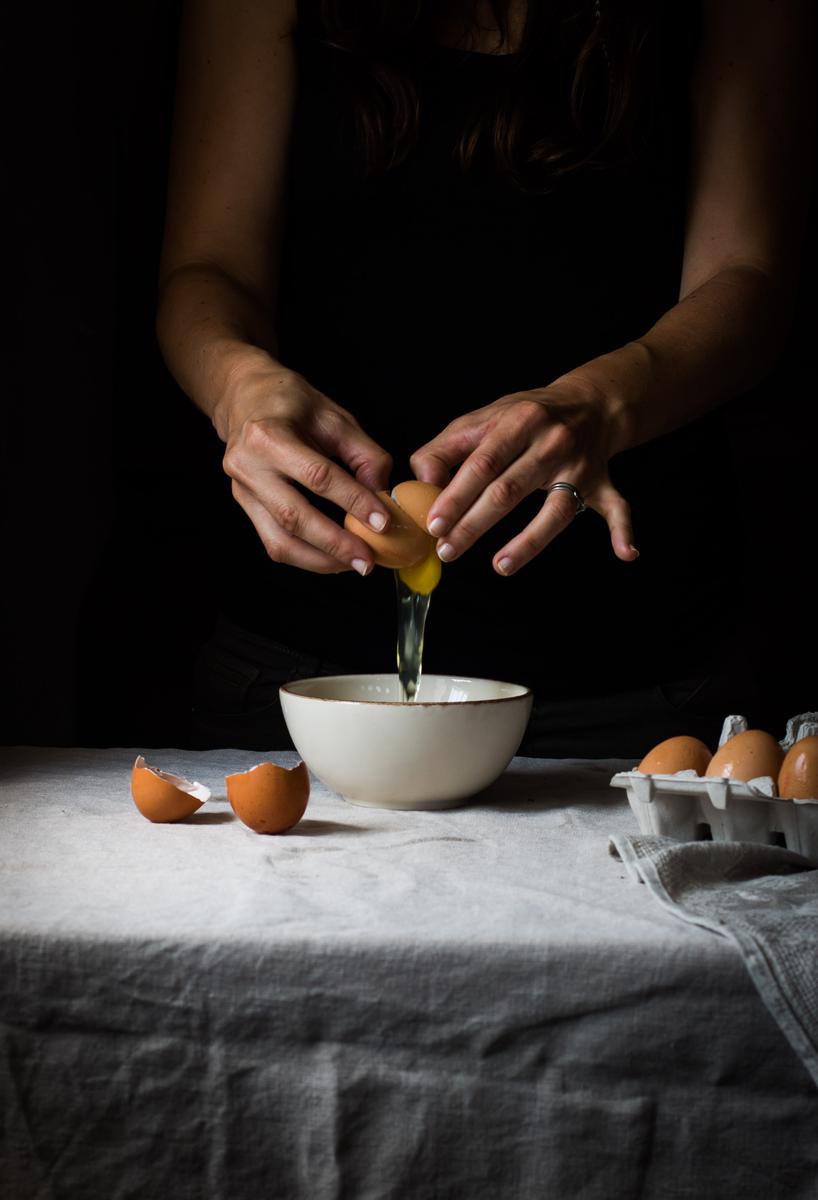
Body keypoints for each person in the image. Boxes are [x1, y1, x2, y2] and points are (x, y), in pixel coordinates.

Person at [156, 0, 813, 757]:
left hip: (635, 672)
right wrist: (239, 389)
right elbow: (208, 269)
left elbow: (750, 276)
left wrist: (601, 403)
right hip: (305, 680)